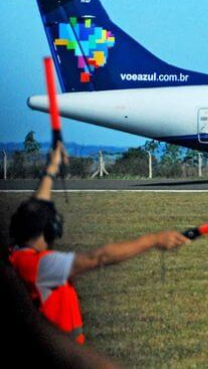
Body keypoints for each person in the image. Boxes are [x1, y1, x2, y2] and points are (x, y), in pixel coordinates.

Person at [8, 143, 190, 344]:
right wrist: (153, 240)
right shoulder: (42, 266)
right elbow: (99, 257)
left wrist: (51, 169)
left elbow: (35, 209)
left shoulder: (15, 255)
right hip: (63, 356)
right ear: (51, 230)